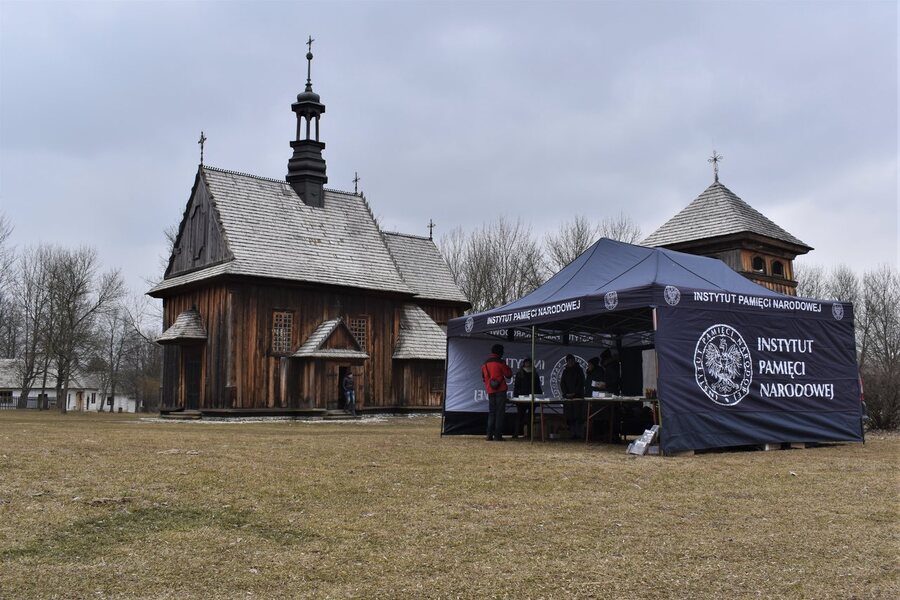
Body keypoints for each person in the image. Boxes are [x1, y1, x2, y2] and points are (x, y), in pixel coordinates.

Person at [481, 344, 512, 441]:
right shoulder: (501, 362)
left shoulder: (485, 363)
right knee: (499, 413)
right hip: (500, 390)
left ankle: (489, 435)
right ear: (500, 352)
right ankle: (498, 436)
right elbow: (508, 375)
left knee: (492, 412)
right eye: (502, 351)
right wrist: (506, 366)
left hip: (490, 390)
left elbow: (483, 378)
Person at [512, 357, 542, 439]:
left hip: (532, 397)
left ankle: (529, 434)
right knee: (520, 416)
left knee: (530, 417)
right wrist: (516, 397)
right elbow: (516, 386)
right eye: (526, 362)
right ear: (524, 364)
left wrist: (539, 396)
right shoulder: (519, 373)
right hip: (522, 398)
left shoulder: (535, 374)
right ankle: (516, 434)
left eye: (529, 362)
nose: (528, 364)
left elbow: (538, 386)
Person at [559, 354, 585, 439]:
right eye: (568, 361)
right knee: (570, 417)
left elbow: (581, 383)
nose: (570, 362)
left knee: (578, 416)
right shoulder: (565, 371)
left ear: (574, 361)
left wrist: (574, 393)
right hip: (568, 398)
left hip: (578, 397)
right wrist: (566, 393)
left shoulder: (579, 370)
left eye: (571, 361)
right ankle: (572, 434)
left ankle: (579, 434)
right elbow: (562, 383)